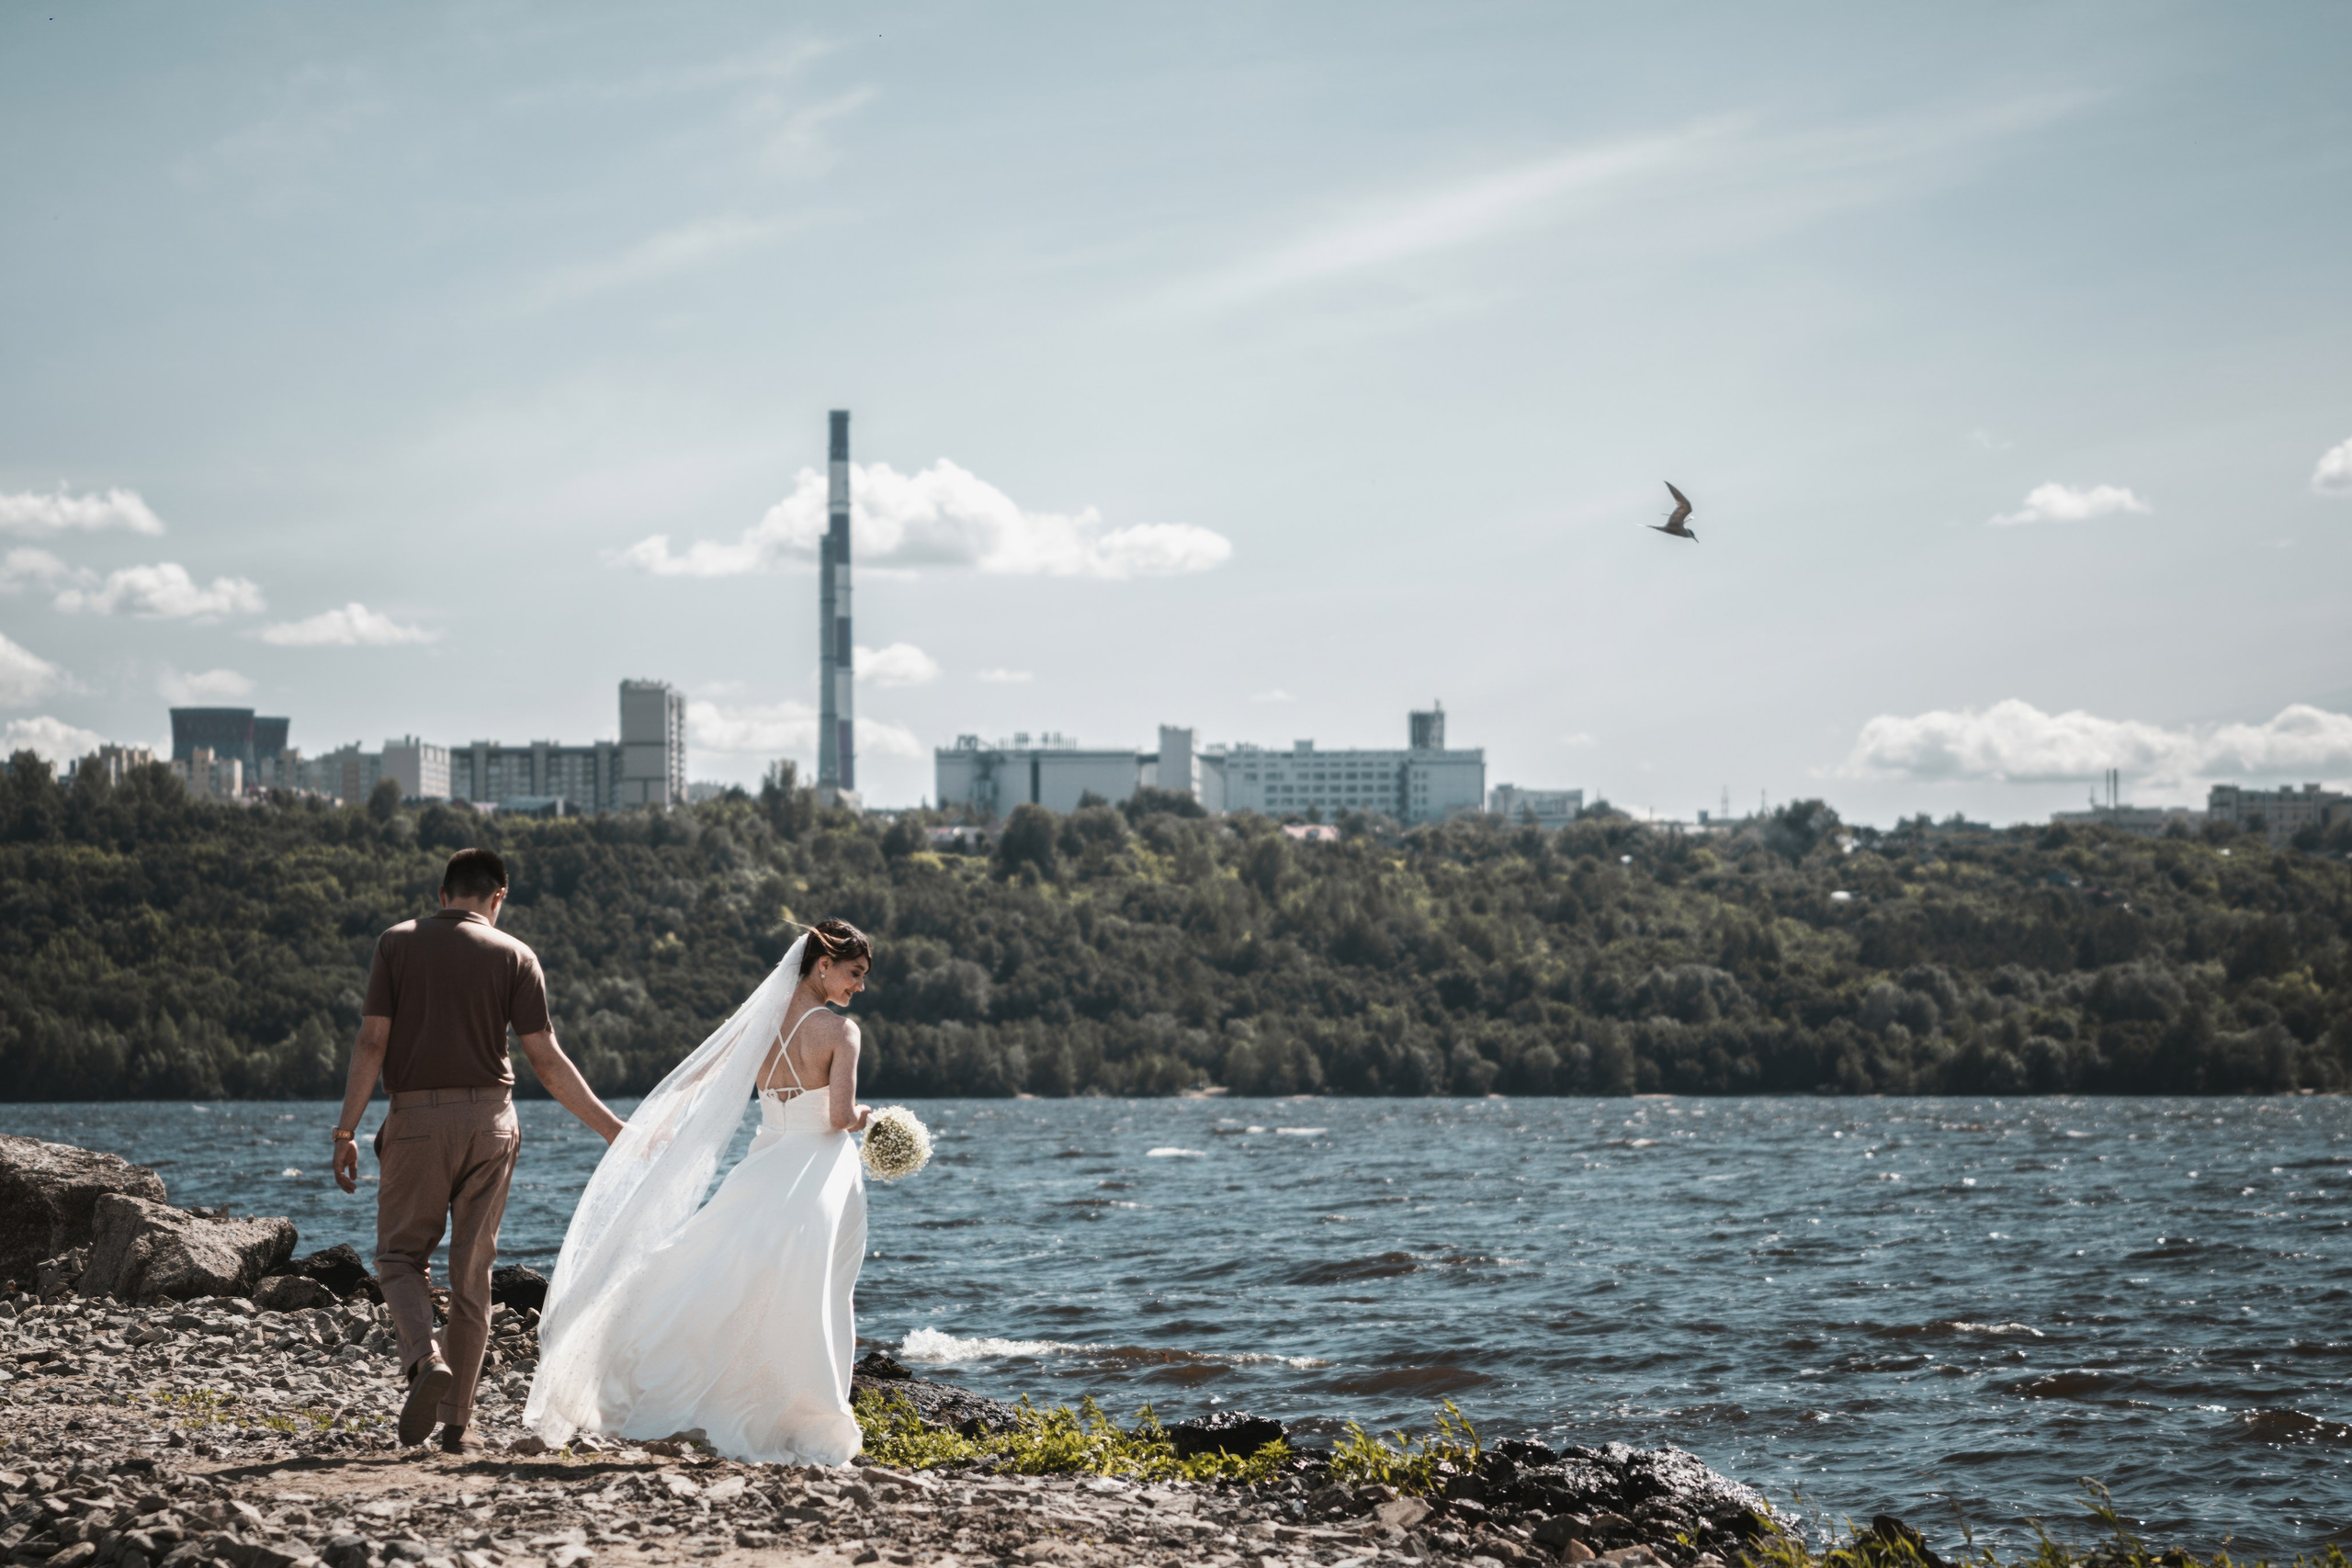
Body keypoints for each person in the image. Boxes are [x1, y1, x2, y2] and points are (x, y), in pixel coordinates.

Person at [525, 919, 874, 1463]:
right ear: (822, 964)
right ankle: (802, 1413)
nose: (858, 987)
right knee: (816, 1286)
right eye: (854, 973)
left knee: (728, 1271)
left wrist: (652, 1124)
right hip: (817, 1172)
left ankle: (665, 1375)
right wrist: (866, 1119)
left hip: (766, 1163)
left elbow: (700, 1074)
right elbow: (837, 1115)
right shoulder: (841, 1032)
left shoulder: (757, 1024)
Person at [331, 847, 624, 1452]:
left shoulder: (396, 943)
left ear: (442, 895)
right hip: (493, 1119)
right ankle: (457, 1423)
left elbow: (371, 1040)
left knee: (399, 1258)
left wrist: (346, 1130)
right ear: (498, 897)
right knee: (473, 1273)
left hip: (415, 1119)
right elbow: (546, 1059)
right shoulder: (516, 955)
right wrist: (611, 1128)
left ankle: (422, 1359)